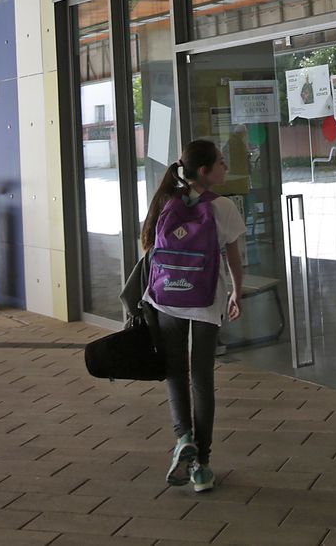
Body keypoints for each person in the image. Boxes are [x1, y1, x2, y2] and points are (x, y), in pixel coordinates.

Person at [140, 138, 245, 493]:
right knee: (201, 378)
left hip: (166, 298)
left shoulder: (166, 200)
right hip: (204, 300)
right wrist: (236, 291)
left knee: (175, 371)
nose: (225, 167)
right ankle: (202, 465)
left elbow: (148, 248)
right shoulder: (223, 207)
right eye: (220, 162)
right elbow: (233, 258)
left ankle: (182, 437)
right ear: (204, 171)